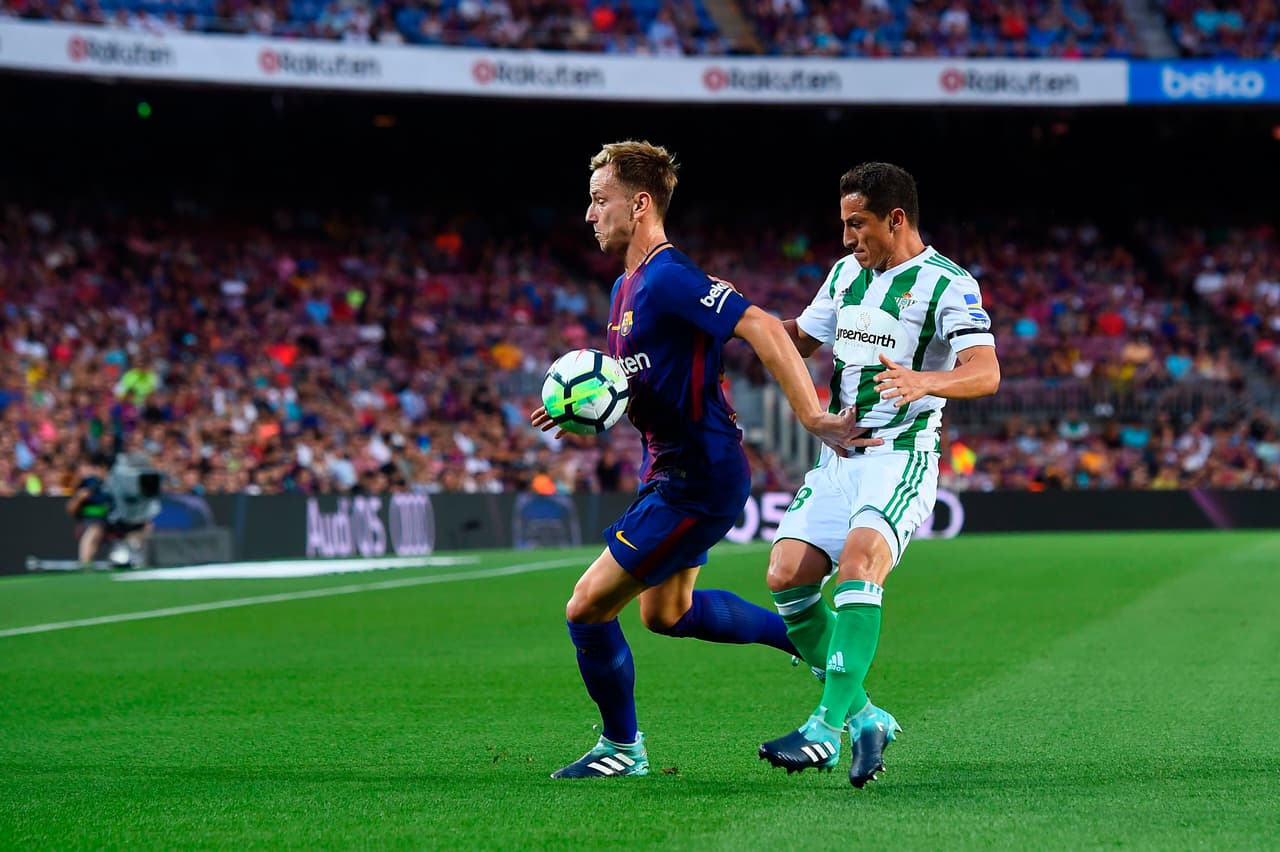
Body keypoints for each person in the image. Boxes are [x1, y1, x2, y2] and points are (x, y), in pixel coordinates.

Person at [530, 140, 875, 779]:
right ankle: (808, 642)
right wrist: (581, 402)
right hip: (672, 471)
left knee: (586, 608)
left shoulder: (669, 276)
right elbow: (652, 374)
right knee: (667, 614)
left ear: (639, 205)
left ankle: (621, 748)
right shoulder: (626, 287)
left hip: (695, 479)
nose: (589, 214)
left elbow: (762, 327)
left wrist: (812, 416)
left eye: (600, 200)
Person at [756, 162, 1000, 787]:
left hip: (900, 456)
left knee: (860, 565)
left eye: (857, 224)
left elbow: (985, 371)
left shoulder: (948, 284)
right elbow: (798, 339)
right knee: (786, 575)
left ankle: (824, 729)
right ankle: (866, 717)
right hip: (838, 457)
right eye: (843, 224)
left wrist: (925, 381)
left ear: (895, 219)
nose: (847, 238)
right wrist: (735, 323)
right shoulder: (845, 275)